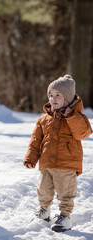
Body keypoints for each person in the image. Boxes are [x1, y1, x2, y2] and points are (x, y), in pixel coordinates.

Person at [23, 74, 92, 232]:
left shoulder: (77, 117)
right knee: (43, 189)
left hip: (67, 163)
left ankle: (64, 216)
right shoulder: (43, 119)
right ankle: (44, 211)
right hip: (47, 162)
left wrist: (71, 116)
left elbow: (83, 133)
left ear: (67, 98)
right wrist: (31, 157)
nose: (53, 98)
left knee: (66, 191)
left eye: (58, 95)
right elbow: (35, 140)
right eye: (51, 95)